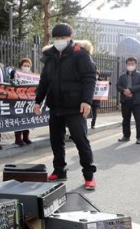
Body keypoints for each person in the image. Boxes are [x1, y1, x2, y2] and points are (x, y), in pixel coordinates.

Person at [33, 23, 97, 190]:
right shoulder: (50, 56)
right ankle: (59, 170)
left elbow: (89, 78)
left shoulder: (80, 55)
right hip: (56, 106)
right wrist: (37, 101)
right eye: (56, 38)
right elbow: (44, 81)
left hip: (75, 106)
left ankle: (89, 175)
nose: (59, 41)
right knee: (56, 141)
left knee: (80, 141)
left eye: (63, 38)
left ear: (70, 38)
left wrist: (86, 101)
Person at [116, 57, 140, 144]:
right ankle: (126, 136)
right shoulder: (122, 76)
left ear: (135, 64)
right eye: (128, 64)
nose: (130, 66)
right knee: (125, 119)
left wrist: (131, 90)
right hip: (125, 101)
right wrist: (124, 91)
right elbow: (118, 86)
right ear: (126, 64)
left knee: (139, 120)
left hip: (137, 102)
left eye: (132, 64)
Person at [10, 57, 33, 146]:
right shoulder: (16, 73)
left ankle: (26, 137)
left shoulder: (32, 75)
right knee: (18, 117)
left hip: (28, 100)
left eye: (28, 66)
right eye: (25, 65)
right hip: (18, 99)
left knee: (27, 118)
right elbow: (11, 82)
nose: (26, 67)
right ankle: (18, 138)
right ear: (21, 66)